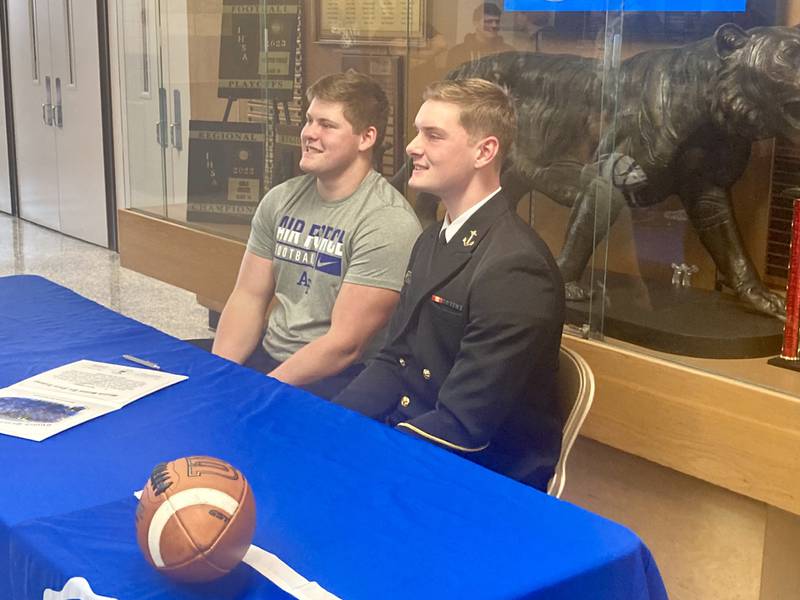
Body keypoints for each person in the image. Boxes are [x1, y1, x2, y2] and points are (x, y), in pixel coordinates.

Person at [334, 79, 565, 491]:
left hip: (484, 480)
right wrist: (329, 427)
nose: (411, 146)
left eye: (433, 135)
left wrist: (363, 456)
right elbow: (395, 359)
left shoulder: (515, 267)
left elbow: (464, 426)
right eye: (417, 131)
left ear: (485, 151)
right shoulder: (432, 239)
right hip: (419, 444)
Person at [210, 71, 421, 400]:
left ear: (366, 138)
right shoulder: (280, 199)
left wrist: (261, 391)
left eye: (327, 125)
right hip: (272, 357)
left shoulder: (387, 221)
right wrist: (222, 376)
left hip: (338, 377)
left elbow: (344, 346)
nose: (309, 133)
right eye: (309, 120)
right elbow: (249, 297)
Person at [446, 2, 516, 69]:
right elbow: (452, 80)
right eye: (488, 21)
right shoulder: (457, 53)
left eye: (497, 22)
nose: (494, 25)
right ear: (475, 23)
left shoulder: (508, 51)